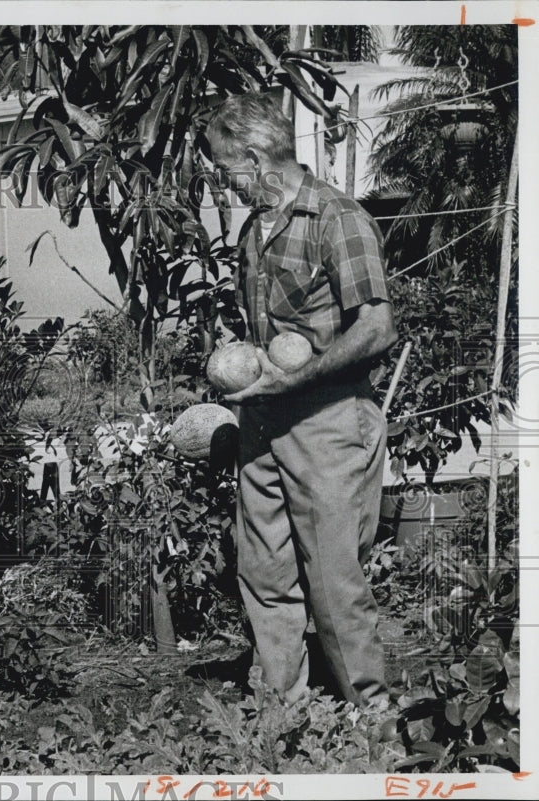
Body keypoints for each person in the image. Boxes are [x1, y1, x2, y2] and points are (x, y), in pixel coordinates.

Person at [204, 93, 397, 707]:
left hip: (329, 421)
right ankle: (282, 713)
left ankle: (375, 726)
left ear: (258, 159)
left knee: (335, 583)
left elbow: (376, 329)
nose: (223, 182)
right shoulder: (253, 231)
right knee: (262, 572)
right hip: (263, 418)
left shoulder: (338, 219)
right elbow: (270, 338)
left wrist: (302, 374)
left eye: (227, 168)